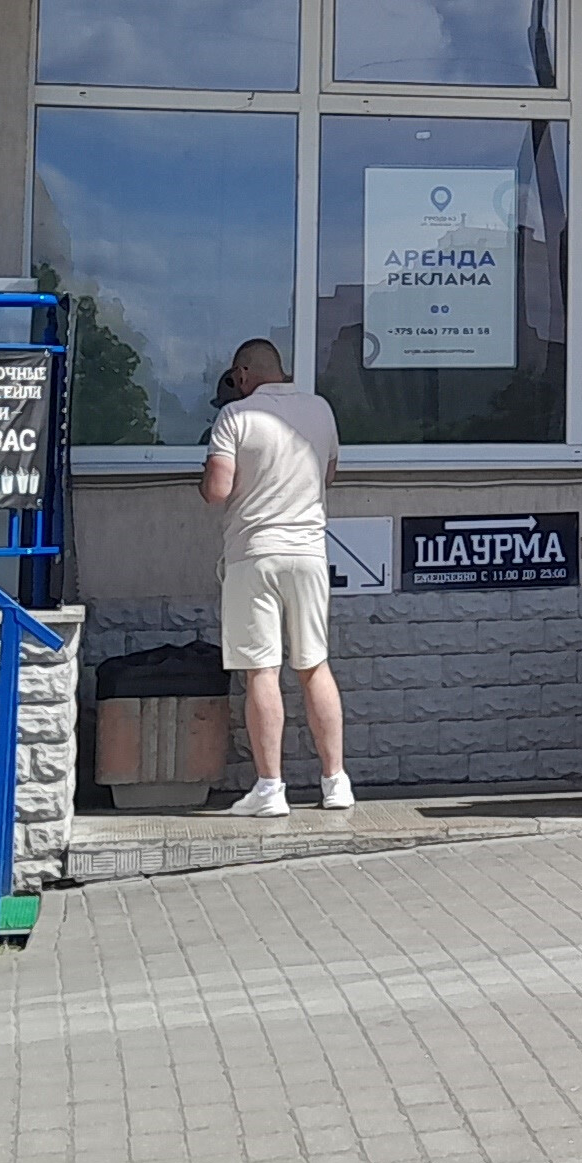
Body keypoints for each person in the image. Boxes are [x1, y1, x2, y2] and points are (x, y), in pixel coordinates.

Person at [202, 338, 348, 813]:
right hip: (308, 553)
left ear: (243, 374)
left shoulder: (235, 416)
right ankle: (336, 783)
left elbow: (217, 490)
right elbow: (328, 476)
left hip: (254, 554)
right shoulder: (321, 409)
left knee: (262, 670)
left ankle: (269, 790)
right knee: (315, 666)